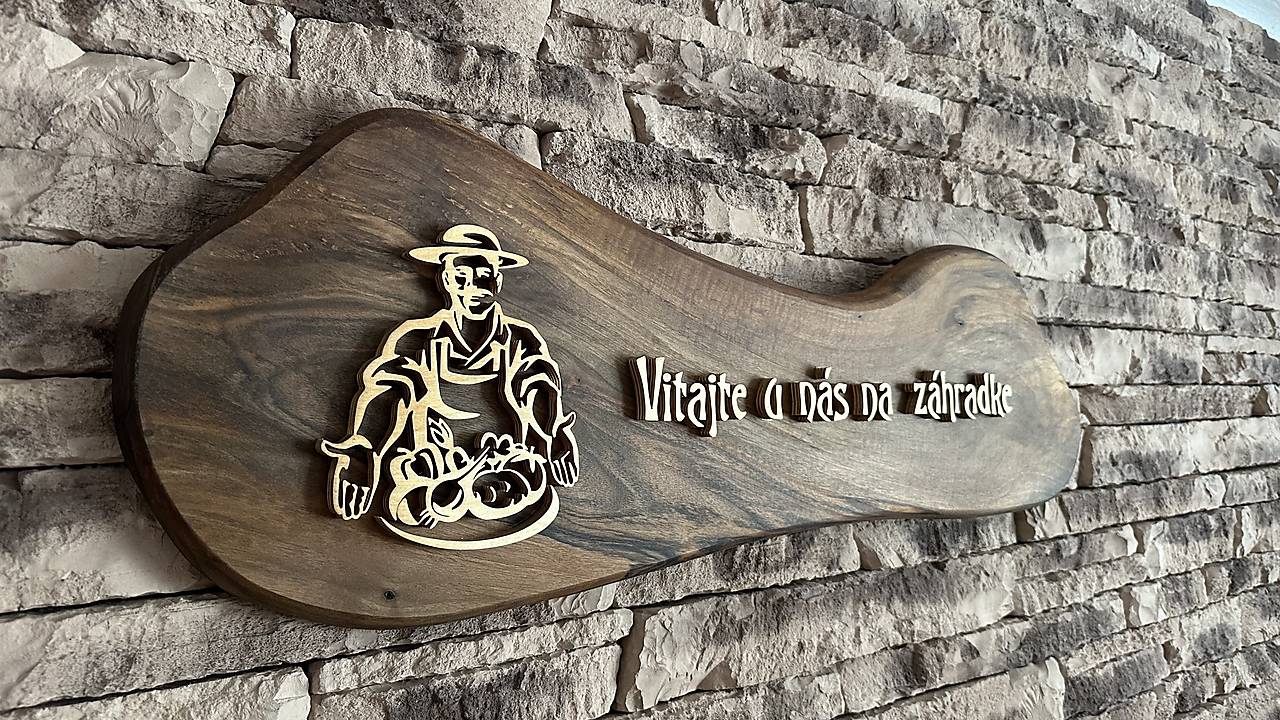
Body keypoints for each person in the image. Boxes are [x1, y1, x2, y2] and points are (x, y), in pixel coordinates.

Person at [318, 225, 578, 543]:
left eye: (483, 275)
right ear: (446, 280)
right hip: (430, 472)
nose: (473, 287)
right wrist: (359, 458)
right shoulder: (416, 337)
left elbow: (544, 392)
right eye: (461, 276)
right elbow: (382, 393)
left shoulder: (521, 340)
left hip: (509, 473)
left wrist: (557, 440)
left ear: (498, 280)